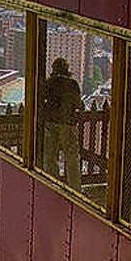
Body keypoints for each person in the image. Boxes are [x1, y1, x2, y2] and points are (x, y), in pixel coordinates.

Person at [40, 57, 82, 191]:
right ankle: (75, 188)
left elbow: (42, 100)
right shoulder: (72, 84)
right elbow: (77, 104)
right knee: (71, 158)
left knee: (50, 156)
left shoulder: (49, 83)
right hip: (67, 123)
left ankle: (52, 185)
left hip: (50, 122)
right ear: (67, 69)